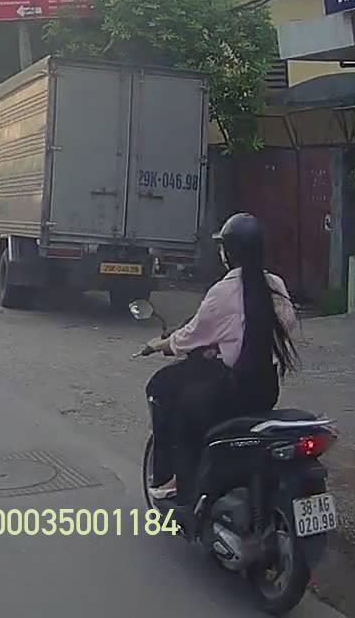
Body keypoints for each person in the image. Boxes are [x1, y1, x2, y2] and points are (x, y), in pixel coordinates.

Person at [141, 212, 298, 499]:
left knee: (174, 402)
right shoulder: (275, 285)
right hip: (267, 390)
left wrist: (158, 344)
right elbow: (286, 325)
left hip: (233, 391)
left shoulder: (222, 292)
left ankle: (179, 481)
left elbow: (189, 336)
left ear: (228, 253)